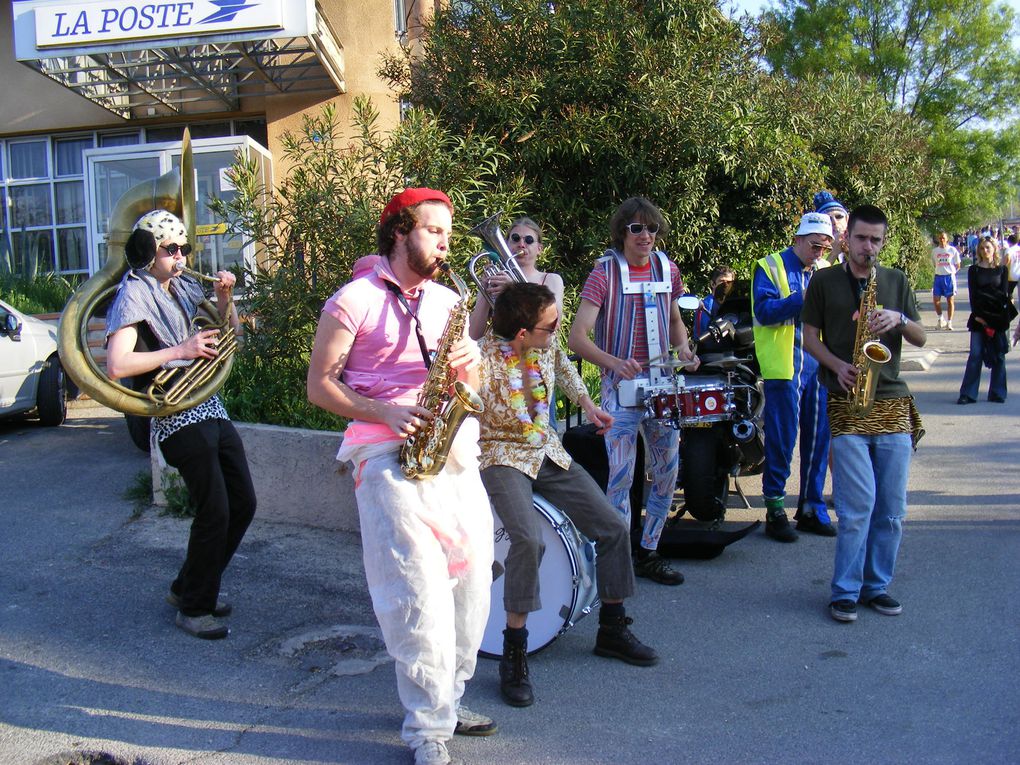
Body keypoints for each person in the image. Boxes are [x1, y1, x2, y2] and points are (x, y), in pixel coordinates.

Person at [306, 188, 495, 765]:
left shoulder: (444, 300)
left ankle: (450, 696)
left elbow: (476, 387)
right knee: (416, 592)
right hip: (384, 452)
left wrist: (474, 366)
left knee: (471, 582)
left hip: (448, 449)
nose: (445, 242)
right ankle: (426, 730)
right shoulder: (353, 300)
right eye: (435, 231)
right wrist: (384, 411)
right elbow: (320, 388)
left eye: (447, 233)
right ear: (399, 231)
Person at [478, 282, 657, 708]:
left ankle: (612, 628)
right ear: (523, 333)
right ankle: (514, 651)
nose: (558, 331)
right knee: (528, 539)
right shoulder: (481, 358)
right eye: (550, 325)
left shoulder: (544, 344)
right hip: (501, 455)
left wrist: (588, 403)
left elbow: (563, 364)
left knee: (613, 526)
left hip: (547, 450)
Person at [105, 209, 257, 641]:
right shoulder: (133, 294)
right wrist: (180, 350)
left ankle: (187, 587)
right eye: (172, 249)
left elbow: (233, 338)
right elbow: (117, 364)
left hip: (208, 404)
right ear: (149, 253)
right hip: (173, 413)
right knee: (215, 510)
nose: (181, 256)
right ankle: (194, 607)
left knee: (243, 503)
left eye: (184, 248)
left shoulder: (185, 286)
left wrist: (226, 302)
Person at [800, 204, 926, 623]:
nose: (867, 247)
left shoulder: (895, 281)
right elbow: (809, 339)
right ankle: (845, 591)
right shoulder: (823, 281)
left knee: (891, 508)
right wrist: (836, 365)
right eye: (860, 238)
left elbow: (922, 337)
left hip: (891, 401)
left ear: (882, 242)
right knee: (858, 507)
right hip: (846, 399)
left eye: (875, 240)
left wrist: (900, 318)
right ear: (846, 238)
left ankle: (877, 586)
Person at [567, 196, 694, 586]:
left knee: (667, 470)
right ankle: (618, 556)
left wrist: (685, 349)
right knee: (620, 476)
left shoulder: (667, 270)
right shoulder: (604, 273)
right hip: (619, 388)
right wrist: (613, 363)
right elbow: (577, 337)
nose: (645, 235)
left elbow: (674, 320)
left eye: (652, 228)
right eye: (637, 228)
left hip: (662, 387)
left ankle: (650, 552)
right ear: (622, 232)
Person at [751, 211, 834, 541]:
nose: (818, 253)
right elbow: (764, 311)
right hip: (784, 365)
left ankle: (812, 507)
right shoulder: (769, 266)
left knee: (819, 439)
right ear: (797, 239)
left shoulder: (827, 271)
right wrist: (801, 300)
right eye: (814, 245)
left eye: (824, 248)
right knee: (782, 441)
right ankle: (775, 509)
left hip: (819, 364)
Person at [468, 216, 564, 340]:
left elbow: (554, 322)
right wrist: (484, 294)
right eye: (515, 239)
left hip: (538, 354)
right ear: (507, 244)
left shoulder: (551, 279)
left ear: (539, 249)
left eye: (529, 240)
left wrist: (514, 289)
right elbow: (473, 335)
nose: (521, 244)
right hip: (499, 353)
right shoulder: (496, 280)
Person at [957, 237, 1011, 404]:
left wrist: (996, 319)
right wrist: (980, 317)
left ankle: (997, 392)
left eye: (987, 248)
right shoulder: (974, 270)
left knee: (999, 355)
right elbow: (973, 296)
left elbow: (1004, 296)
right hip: (979, 319)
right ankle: (968, 393)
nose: (984, 251)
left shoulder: (1002, 270)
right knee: (975, 354)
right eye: (982, 248)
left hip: (997, 319)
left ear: (994, 249)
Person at [693, 265, 736, 338]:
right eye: (722, 281)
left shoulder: (734, 303)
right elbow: (706, 333)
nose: (725, 285)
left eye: (729, 282)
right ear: (713, 284)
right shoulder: (707, 304)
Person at [931, 231, 962, 330]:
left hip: (949, 277)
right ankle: (941, 319)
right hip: (938, 277)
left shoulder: (952, 250)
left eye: (943, 238)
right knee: (936, 300)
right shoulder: (935, 251)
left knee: (950, 300)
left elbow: (958, 265)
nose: (942, 240)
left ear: (947, 239)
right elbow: (934, 264)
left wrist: (952, 272)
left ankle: (949, 322)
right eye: (940, 238)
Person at [814, 190, 849, 264]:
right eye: (828, 219)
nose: (835, 222)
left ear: (847, 220)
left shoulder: (859, 245)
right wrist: (834, 253)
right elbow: (818, 275)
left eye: (839, 217)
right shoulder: (813, 251)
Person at [1003, 234, 1020, 300]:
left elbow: (1006, 261)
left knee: (1009, 293)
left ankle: (1011, 308)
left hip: (1011, 275)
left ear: (1008, 242)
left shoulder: (1009, 250)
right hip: (1018, 273)